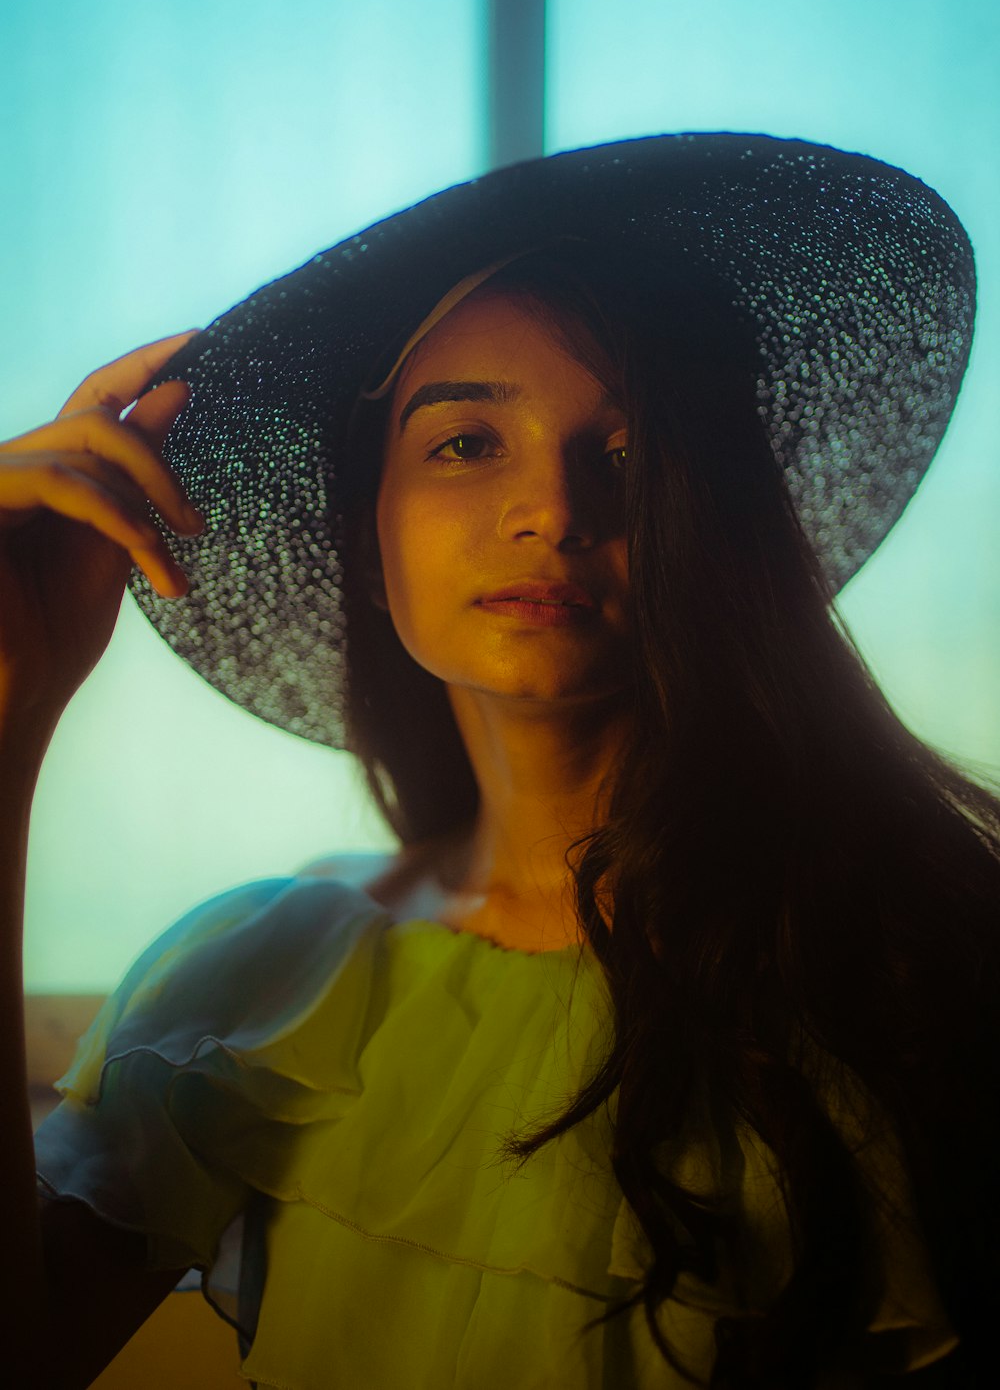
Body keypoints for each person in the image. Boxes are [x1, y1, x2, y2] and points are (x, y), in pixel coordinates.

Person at [2, 134, 997, 1388]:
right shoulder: (255, 996)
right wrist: (10, 714)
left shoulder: (908, 974)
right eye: (466, 442)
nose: (555, 510)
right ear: (366, 538)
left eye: (630, 453)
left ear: (717, 519)